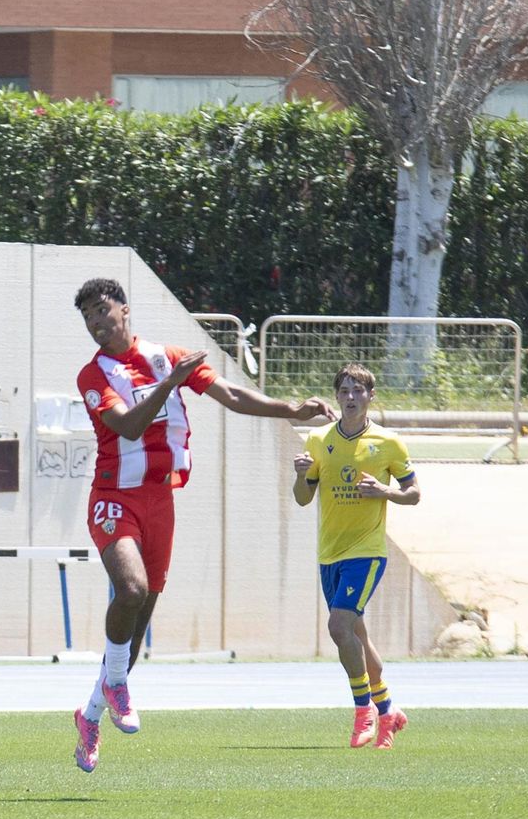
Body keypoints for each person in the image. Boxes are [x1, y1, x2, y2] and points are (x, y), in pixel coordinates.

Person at [69, 278, 335, 773]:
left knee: (139, 620)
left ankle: (90, 715)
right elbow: (126, 425)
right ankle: (115, 686)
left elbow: (231, 395)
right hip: (113, 496)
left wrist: (290, 411)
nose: (96, 323)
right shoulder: (92, 375)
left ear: (125, 310)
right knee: (130, 590)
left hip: (159, 498)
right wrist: (170, 385)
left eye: (102, 310)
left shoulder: (167, 355)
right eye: (87, 317)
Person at [292, 362, 420, 749]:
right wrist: (300, 475)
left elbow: (414, 494)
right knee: (357, 637)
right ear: (337, 397)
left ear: (370, 396)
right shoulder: (317, 440)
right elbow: (302, 498)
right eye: (344, 391)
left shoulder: (388, 443)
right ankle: (388, 713)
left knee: (337, 626)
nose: (351, 398)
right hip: (329, 553)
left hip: (366, 552)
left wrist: (386, 493)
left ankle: (362, 709)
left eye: (358, 391)